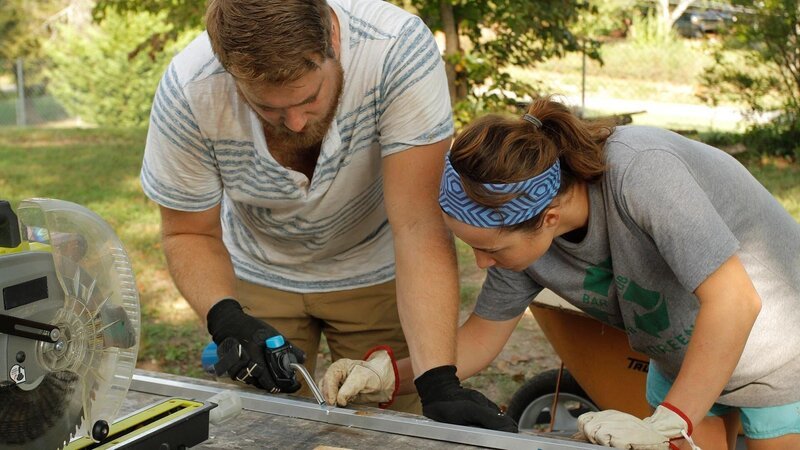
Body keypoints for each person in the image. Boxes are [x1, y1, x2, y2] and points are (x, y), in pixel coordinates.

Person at [321, 96, 800, 448]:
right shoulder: (528, 245)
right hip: (684, 357)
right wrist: (386, 374)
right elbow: (479, 341)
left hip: (775, 350)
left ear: (547, 217)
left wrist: (670, 420)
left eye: (489, 249)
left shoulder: (642, 174)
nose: (482, 264)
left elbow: (737, 301)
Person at [140, 0, 505, 419]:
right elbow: (190, 232)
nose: (295, 122)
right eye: (268, 107)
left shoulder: (395, 50)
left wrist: (438, 379)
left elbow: (419, 223)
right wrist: (225, 316)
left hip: (378, 266)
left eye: (309, 97)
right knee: (263, 426)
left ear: (332, 37)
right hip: (258, 272)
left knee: (395, 427)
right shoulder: (189, 88)